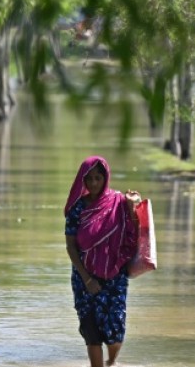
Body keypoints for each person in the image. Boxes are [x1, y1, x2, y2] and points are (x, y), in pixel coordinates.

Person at [64, 156, 141, 367]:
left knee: (115, 329)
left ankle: (112, 361)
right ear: (82, 180)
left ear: (105, 178)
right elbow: (71, 247)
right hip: (84, 277)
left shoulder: (118, 202)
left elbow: (133, 234)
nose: (94, 183)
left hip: (114, 274)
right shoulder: (77, 210)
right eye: (89, 179)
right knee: (91, 330)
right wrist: (87, 280)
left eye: (98, 178)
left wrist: (132, 208)